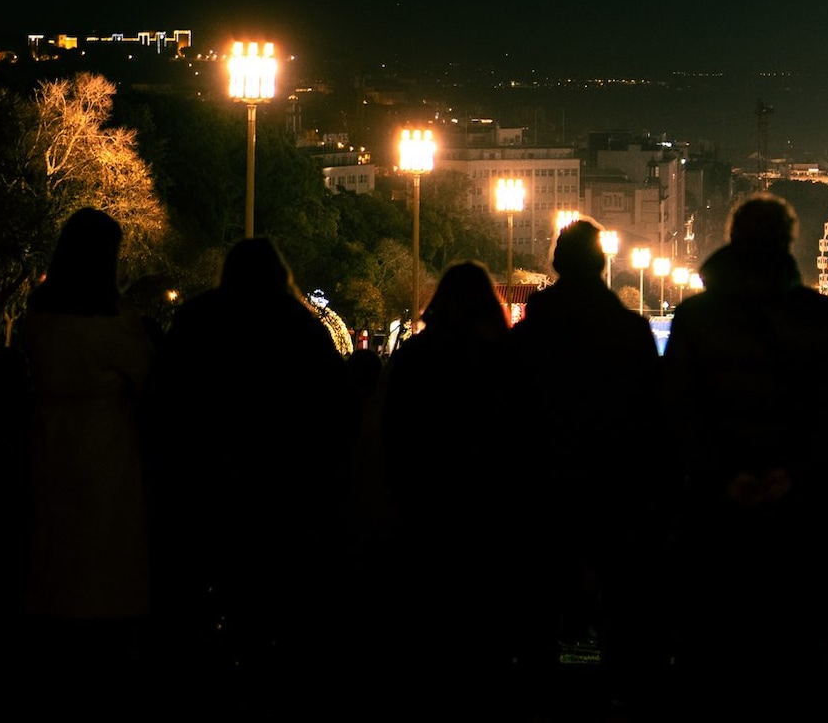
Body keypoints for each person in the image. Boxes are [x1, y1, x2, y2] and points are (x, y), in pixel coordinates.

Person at [658, 192, 828, 715]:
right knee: (790, 648)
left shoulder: (695, 316)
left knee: (717, 646)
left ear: (732, 239)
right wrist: (792, 474)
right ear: (789, 242)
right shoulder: (819, 316)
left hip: (715, 509)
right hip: (797, 510)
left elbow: (677, 408)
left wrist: (720, 475)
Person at [145, 237, 358, 684]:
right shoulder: (301, 326)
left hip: (207, 478)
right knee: (272, 592)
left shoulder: (198, 319)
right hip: (283, 482)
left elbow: (164, 395)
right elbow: (335, 407)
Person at [507, 216, 665, 700]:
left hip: (542, 483)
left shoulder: (527, 336)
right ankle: (623, 695)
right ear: (602, 264)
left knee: (539, 598)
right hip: (615, 485)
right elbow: (654, 416)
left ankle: (536, 695)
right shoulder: (631, 332)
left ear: (557, 263)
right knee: (622, 597)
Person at [18, 207, 158, 681]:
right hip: (106, 449)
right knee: (104, 558)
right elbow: (147, 380)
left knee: (55, 550)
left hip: (49, 442)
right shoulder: (115, 324)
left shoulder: (39, 319)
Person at [380, 259, 524, 683]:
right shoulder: (504, 360)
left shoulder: (415, 358)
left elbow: (394, 432)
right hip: (490, 511)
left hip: (426, 506)